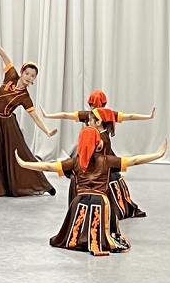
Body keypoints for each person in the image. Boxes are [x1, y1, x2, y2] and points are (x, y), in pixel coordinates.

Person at [15, 127, 167, 256]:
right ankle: (96, 240)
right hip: (101, 203)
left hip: (78, 203)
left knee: (74, 232)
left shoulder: (74, 162)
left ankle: (78, 238)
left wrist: (25, 164)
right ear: (98, 143)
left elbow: (49, 166)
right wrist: (157, 154)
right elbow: (135, 160)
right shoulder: (107, 161)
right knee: (107, 228)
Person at [43, 90, 155, 218]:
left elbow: (65, 115)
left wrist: (48, 115)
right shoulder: (108, 115)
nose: (89, 122)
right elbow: (130, 116)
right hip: (101, 163)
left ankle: (86, 210)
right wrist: (148, 116)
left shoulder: (91, 119)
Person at [0, 36, 57, 197]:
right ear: (22, 72)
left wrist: (47, 131)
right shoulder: (11, 76)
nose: (29, 77)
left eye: (32, 76)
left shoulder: (25, 97)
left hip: (7, 125)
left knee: (20, 154)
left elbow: (35, 117)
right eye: (27, 73)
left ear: (34, 80)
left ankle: (43, 184)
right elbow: (4, 55)